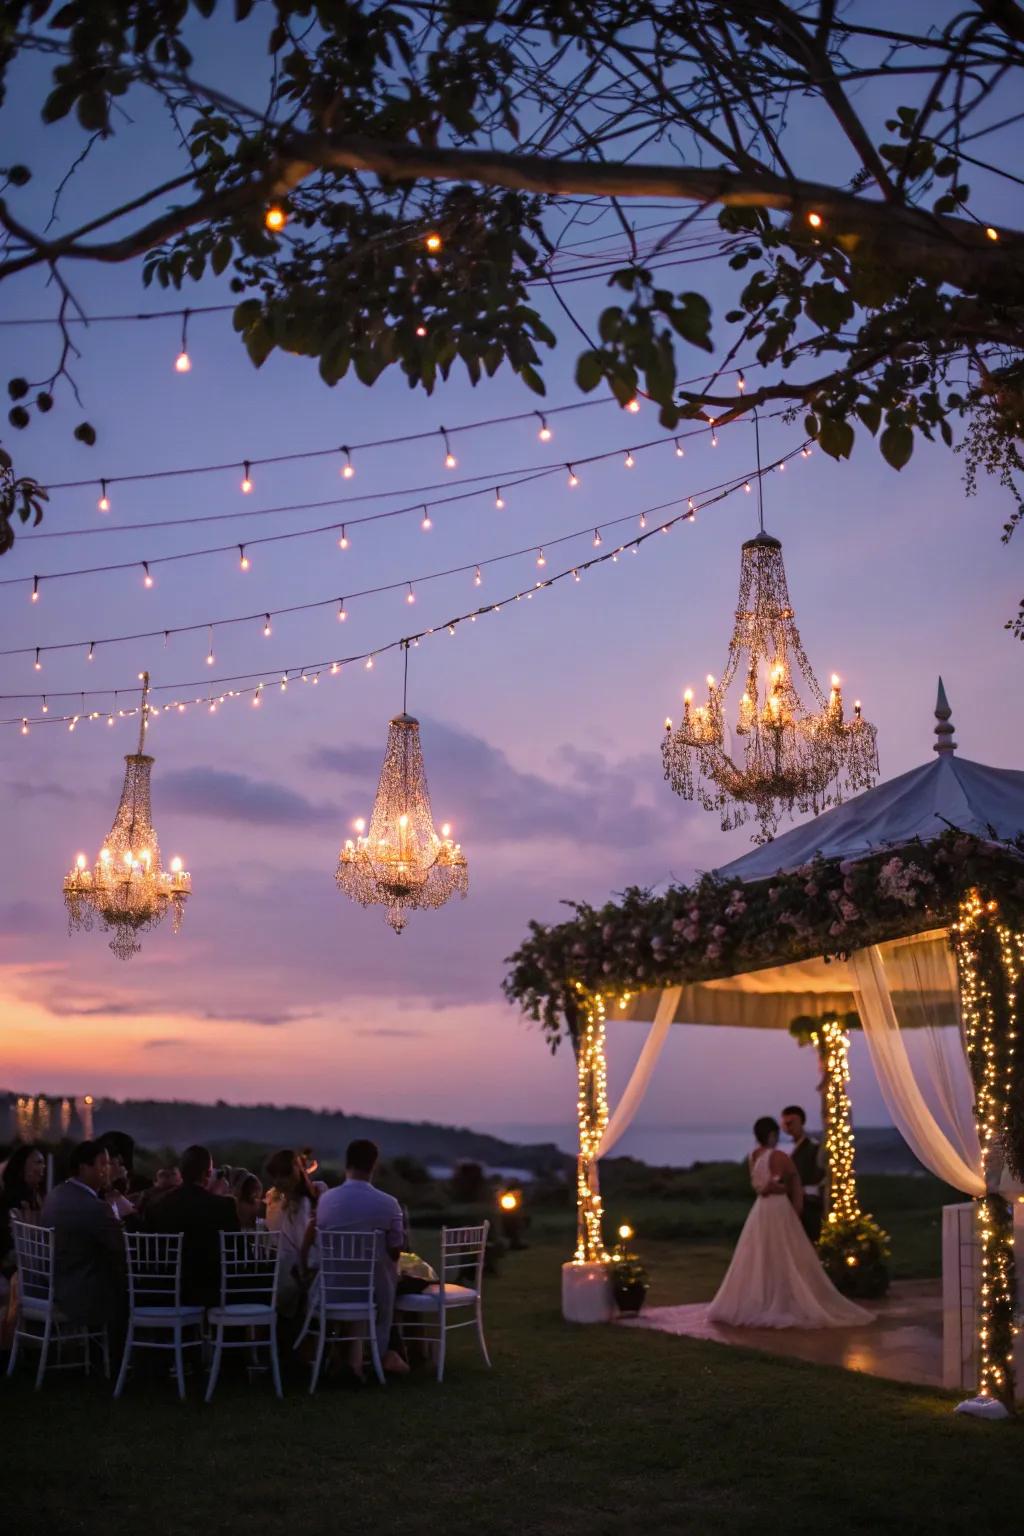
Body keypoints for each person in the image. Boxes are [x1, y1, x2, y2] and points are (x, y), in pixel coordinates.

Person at [707, 1117, 872, 1329]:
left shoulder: (753, 1155)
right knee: (785, 1251)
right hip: (777, 1208)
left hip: (760, 1209)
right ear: (772, 1135)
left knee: (761, 1252)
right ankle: (785, 1297)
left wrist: (774, 1187)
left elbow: (758, 1184)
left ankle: (764, 1297)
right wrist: (792, 1199)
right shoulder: (779, 1156)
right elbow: (792, 1180)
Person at [305, 1139, 408, 1375]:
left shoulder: (326, 1200)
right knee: (388, 1276)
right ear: (374, 1165)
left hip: (331, 1289)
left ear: (347, 1163)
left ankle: (347, 1358)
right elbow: (395, 1251)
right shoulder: (389, 1203)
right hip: (370, 1291)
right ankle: (380, 1354)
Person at [40, 1141, 125, 1332]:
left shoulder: (56, 1194)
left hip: (55, 1283)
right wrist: (121, 1215)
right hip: (80, 1293)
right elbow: (121, 1248)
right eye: (103, 1164)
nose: (108, 1169)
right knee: (129, 1285)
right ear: (83, 1168)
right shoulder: (95, 1207)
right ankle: (119, 1358)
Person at [144, 1144, 239, 1307]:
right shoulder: (224, 1206)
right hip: (209, 1292)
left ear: (180, 1173)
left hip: (164, 1292)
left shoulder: (156, 1205)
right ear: (207, 1174)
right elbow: (235, 1252)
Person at [265, 1149, 318, 1317]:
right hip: (289, 1272)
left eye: (283, 1174)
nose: (278, 1180)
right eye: (276, 1175)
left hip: (281, 1272)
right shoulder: (287, 1202)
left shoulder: (277, 1199)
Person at [781, 1104, 826, 1243]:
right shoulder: (786, 1148)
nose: (788, 1126)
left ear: (802, 1122)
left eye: (792, 1122)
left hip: (809, 1206)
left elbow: (819, 1177)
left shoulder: (814, 1148)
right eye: (785, 1123)